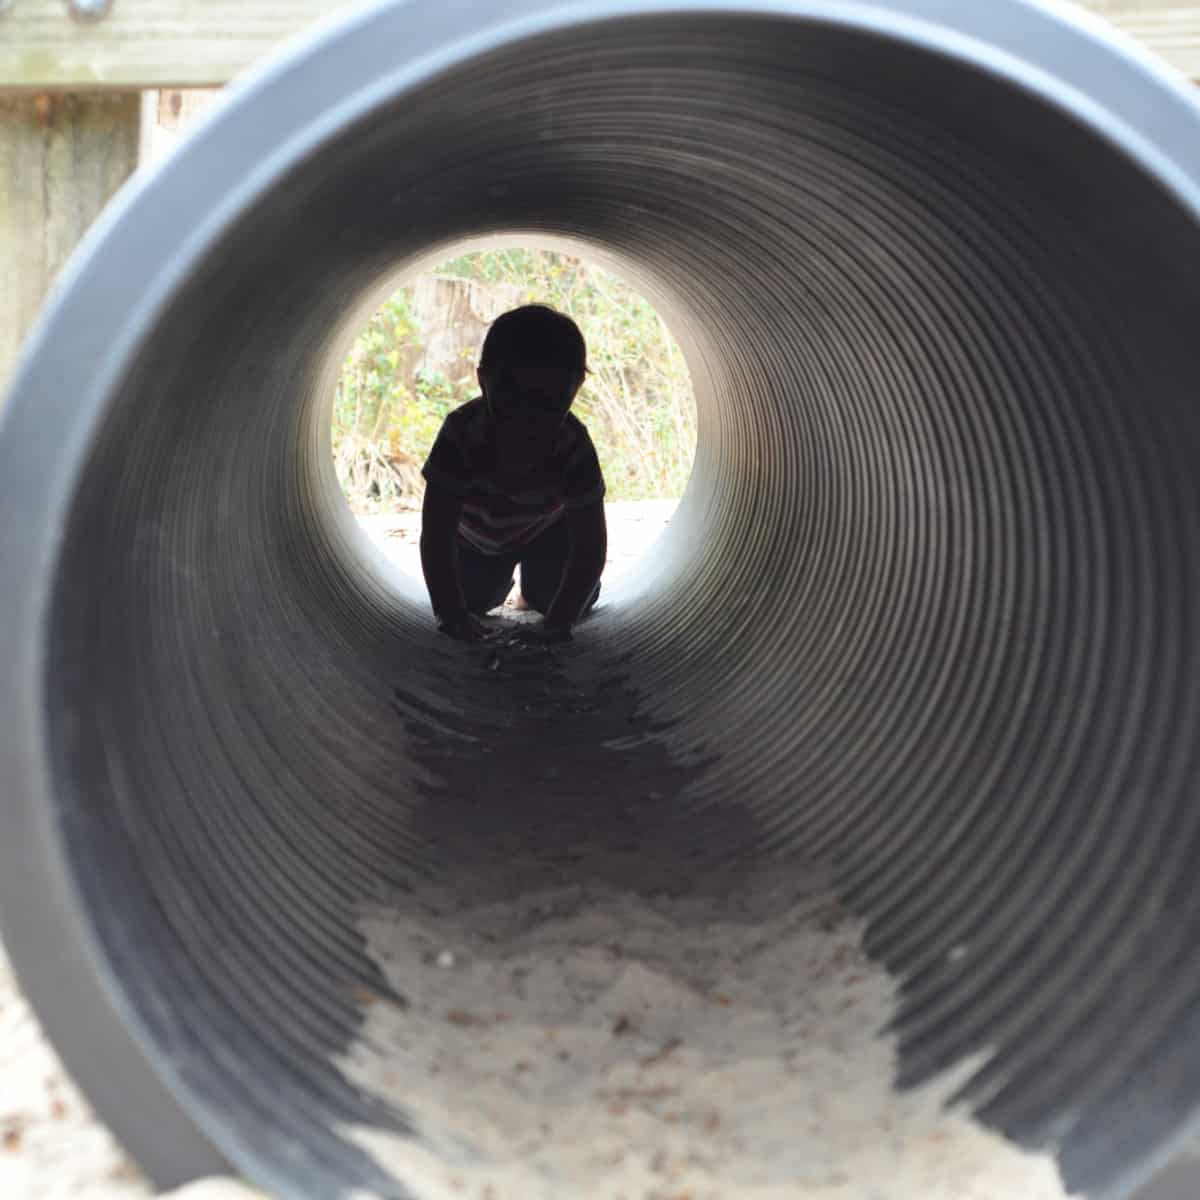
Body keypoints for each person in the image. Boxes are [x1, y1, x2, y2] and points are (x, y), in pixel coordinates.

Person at [420, 304, 608, 643]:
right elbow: (437, 533)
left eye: (549, 402)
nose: (528, 418)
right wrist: (451, 615)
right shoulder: (462, 435)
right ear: (482, 381)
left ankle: (531, 590)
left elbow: (590, 545)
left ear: (576, 387)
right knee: (474, 599)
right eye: (512, 398)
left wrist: (558, 624)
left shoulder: (572, 446)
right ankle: (506, 581)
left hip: (547, 535)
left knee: (560, 597)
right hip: (476, 541)